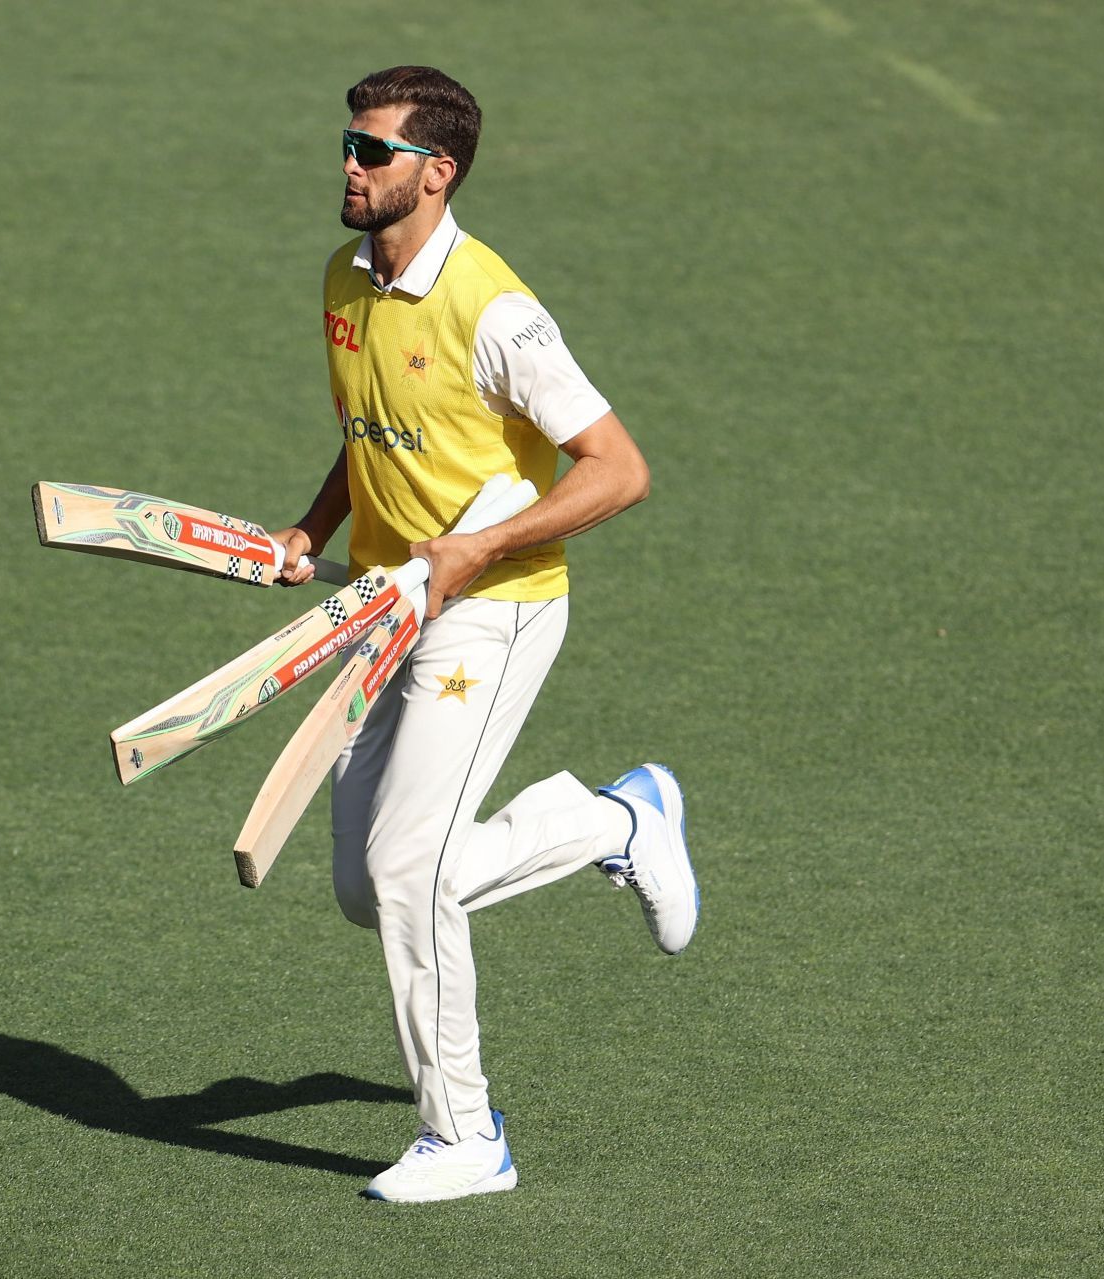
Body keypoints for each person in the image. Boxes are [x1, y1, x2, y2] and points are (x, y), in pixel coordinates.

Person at [271, 66, 700, 1204]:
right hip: (381, 608)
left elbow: (620, 470)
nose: (350, 167)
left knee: (407, 872)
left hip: (493, 612)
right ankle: (612, 819)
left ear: (437, 171)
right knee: (374, 890)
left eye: (373, 152)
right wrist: (309, 529)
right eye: (348, 146)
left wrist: (470, 554)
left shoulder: (496, 310)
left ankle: (465, 1136)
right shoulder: (345, 280)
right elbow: (380, 435)